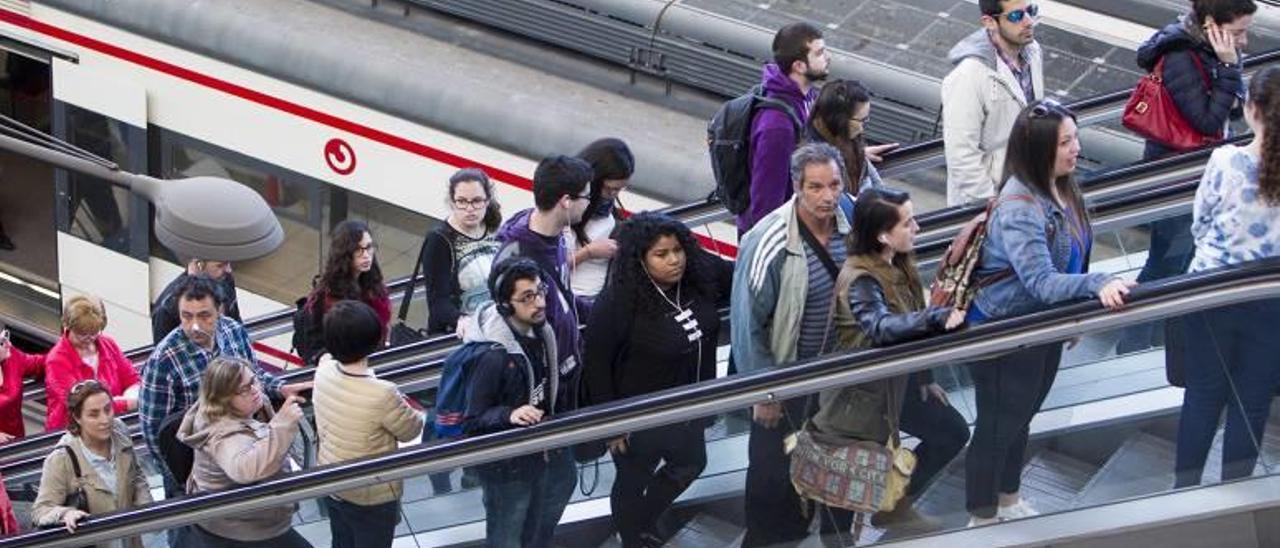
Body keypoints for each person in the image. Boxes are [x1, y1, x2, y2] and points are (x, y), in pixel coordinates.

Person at [964, 100, 1134, 526]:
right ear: (1039, 150)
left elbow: (1071, 258)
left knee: (1020, 417)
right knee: (998, 425)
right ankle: (980, 518)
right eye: (1065, 142)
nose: (1076, 148)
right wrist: (1095, 287)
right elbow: (1040, 281)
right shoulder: (1020, 204)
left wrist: (1071, 313)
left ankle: (1007, 499)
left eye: (1075, 137)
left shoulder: (1061, 187)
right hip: (1005, 332)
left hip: (1042, 326)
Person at [811, 187, 969, 543]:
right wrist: (935, 319)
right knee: (845, 490)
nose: (917, 228)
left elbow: (908, 313)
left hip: (895, 385)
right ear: (883, 235)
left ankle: (895, 507)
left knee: (951, 432)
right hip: (858, 398)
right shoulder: (861, 279)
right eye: (908, 222)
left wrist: (925, 377)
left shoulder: (897, 263)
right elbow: (880, 326)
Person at [583, 212, 731, 547]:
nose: (674, 260)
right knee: (633, 479)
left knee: (693, 462)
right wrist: (611, 423)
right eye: (661, 254)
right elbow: (597, 362)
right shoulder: (618, 302)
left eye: (678, 250)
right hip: (638, 416)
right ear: (640, 259)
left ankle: (642, 522)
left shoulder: (696, 279)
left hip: (688, 408)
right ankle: (634, 537)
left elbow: (737, 277)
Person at [730, 142, 851, 546]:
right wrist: (764, 390)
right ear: (797, 186)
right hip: (785, 377)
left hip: (834, 379)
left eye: (834, 184)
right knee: (771, 475)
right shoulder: (771, 240)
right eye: (816, 187)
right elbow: (748, 324)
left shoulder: (851, 220)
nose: (827, 196)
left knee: (825, 474)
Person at [1120, 0, 1255, 351]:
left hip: (1197, 177)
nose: (1244, 41)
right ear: (1211, 23)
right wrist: (1228, 68)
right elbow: (1208, 123)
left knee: (1180, 259)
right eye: (1239, 32)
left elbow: (1232, 110)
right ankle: (1133, 341)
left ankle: (1157, 337)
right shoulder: (1182, 57)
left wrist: (1229, 68)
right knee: (1166, 262)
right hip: (1175, 179)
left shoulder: (1210, 50)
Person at [1175, 66, 1280, 488]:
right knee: (1252, 401)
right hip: (1271, 300)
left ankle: (1184, 491)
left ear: (1252, 109)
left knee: (1202, 394)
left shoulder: (1225, 159)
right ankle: (1233, 494)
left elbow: (1200, 223)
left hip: (1210, 292)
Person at [139, 275, 310, 494]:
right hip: (199, 467)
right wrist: (178, 479)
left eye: (204, 316)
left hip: (247, 443)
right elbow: (154, 430)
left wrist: (279, 388)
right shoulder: (164, 360)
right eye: (186, 316)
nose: (194, 326)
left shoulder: (232, 331)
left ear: (219, 310)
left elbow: (253, 373)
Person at [463, 258, 575, 548]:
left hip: (539, 454)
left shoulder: (540, 332)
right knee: (507, 537)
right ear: (504, 305)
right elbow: (473, 419)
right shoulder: (492, 355)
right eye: (527, 297)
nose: (539, 302)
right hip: (507, 470)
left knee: (534, 529)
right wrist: (509, 414)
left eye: (540, 291)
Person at [314, 300, 425, 548]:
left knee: (342, 541)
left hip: (332, 480)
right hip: (372, 493)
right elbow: (411, 430)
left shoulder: (323, 371)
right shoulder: (383, 393)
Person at [493, 155, 593, 411]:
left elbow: (563, 295)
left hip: (571, 370)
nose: (589, 204)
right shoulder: (517, 258)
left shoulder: (553, 233)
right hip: (547, 391)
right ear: (566, 201)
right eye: (586, 197)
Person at [177, 357, 310, 547]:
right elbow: (244, 469)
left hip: (251, 518)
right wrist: (282, 425)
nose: (254, 390)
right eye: (243, 390)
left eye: (253, 380)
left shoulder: (245, 405)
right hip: (240, 529)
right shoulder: (222, 434)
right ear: (223, 399)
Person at [942, 0, 1044, 206]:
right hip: (990, 205)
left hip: (1029, 190)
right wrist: (992, 204)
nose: (1028, 21)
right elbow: (961, 156)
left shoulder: (1032, 52)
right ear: (989, 22)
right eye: (1016, 16)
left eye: (1030, 11)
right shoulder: (968, 76)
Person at [32, 380, 152, 547]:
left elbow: (135, 472)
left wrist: (147, 509)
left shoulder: (120, 430)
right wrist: (66, 514)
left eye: (108, 409)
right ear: (77, 417)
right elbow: (41, 511)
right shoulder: (61, 458)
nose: (105, 420)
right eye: (94, 414)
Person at [736, 22, 830, 234]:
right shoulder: (777, 126)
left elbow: (814, 144)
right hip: (772, 237)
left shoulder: (806, 97)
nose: (827, 57)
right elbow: (767, 202)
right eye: (820, 53)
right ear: (799, 66)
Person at [423, 168, 502, 335]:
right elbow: (437, 302)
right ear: (452, 202)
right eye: (462, 201)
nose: (470, 208)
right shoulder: (439, 239)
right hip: (460, 334)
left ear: (487, 201)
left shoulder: (493, 229)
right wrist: (461, 319)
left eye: (476, 201)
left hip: (496, 324)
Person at [45, 295, 141, 432]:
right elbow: (79, 403)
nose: (89, 339)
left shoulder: (108, 344)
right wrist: (125, 403)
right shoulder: (57, 360)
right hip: (74, 432)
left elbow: (132, 378)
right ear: (67, 326)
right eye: (82, 334)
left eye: (94, 333)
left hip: (111, 426)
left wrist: (132, 394)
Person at [805, 79, 898, 194]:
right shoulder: (814, 159)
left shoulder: (848, 137)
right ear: (840, 119)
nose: (862, 128)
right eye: (861, 120)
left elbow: (874, 179)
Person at [568, 138, 634, 298]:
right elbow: (548, 267)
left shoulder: (607, 211)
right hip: (575, 297)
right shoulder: (569, 207)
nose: (613, 195)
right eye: (609, 188)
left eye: (620, 189)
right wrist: (588, 252)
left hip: (600, 295)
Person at [309, 220, 392, 343]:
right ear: (345, 253)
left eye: (369, 247)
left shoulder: (372, 284)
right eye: (358, 249)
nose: (366, 255)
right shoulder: (328, 295)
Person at [152, 258, 240, 344]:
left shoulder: (225, 280)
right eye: (220, 265)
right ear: (199, 265)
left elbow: (237, 323)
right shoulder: (166, 309)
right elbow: (164, 351)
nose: (228, 270)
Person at [0, 322, 45, 441]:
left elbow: (38, 363)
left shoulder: (11, 356)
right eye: (1, 342)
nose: (8, 344)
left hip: (16, 443)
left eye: (6, 337)